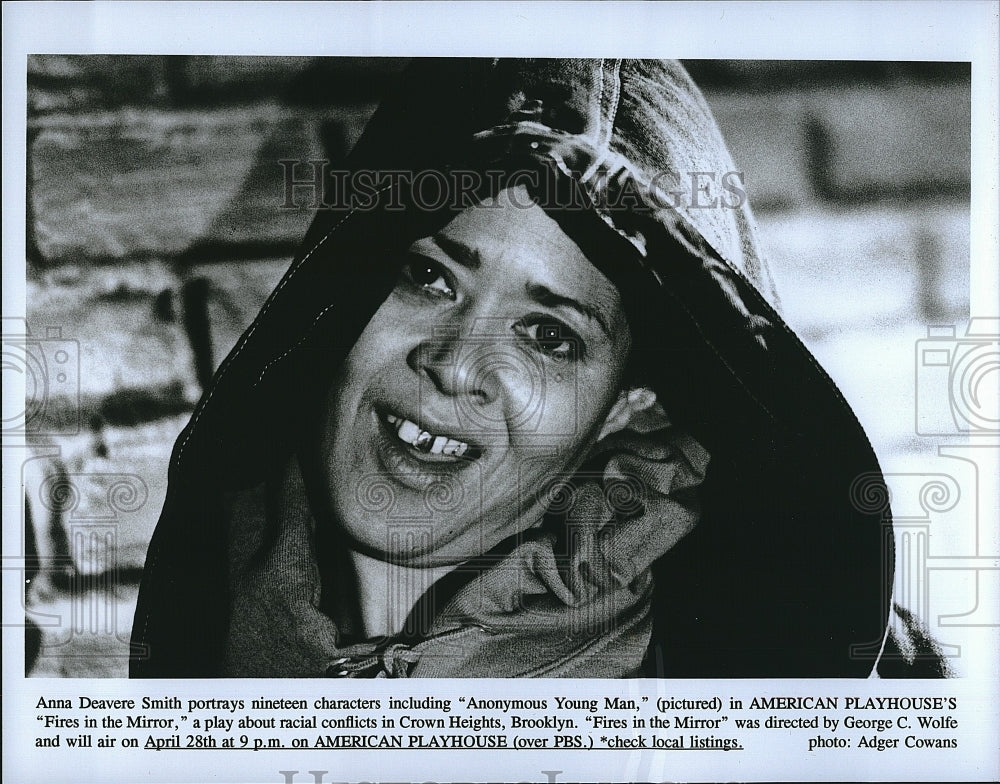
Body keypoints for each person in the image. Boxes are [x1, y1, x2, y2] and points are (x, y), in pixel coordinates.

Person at [131, 58, 944, 678]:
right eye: (428, 277)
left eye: (548, 334)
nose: (453, 366)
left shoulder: (841, 702)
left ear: (632, 402)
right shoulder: (193, 625)